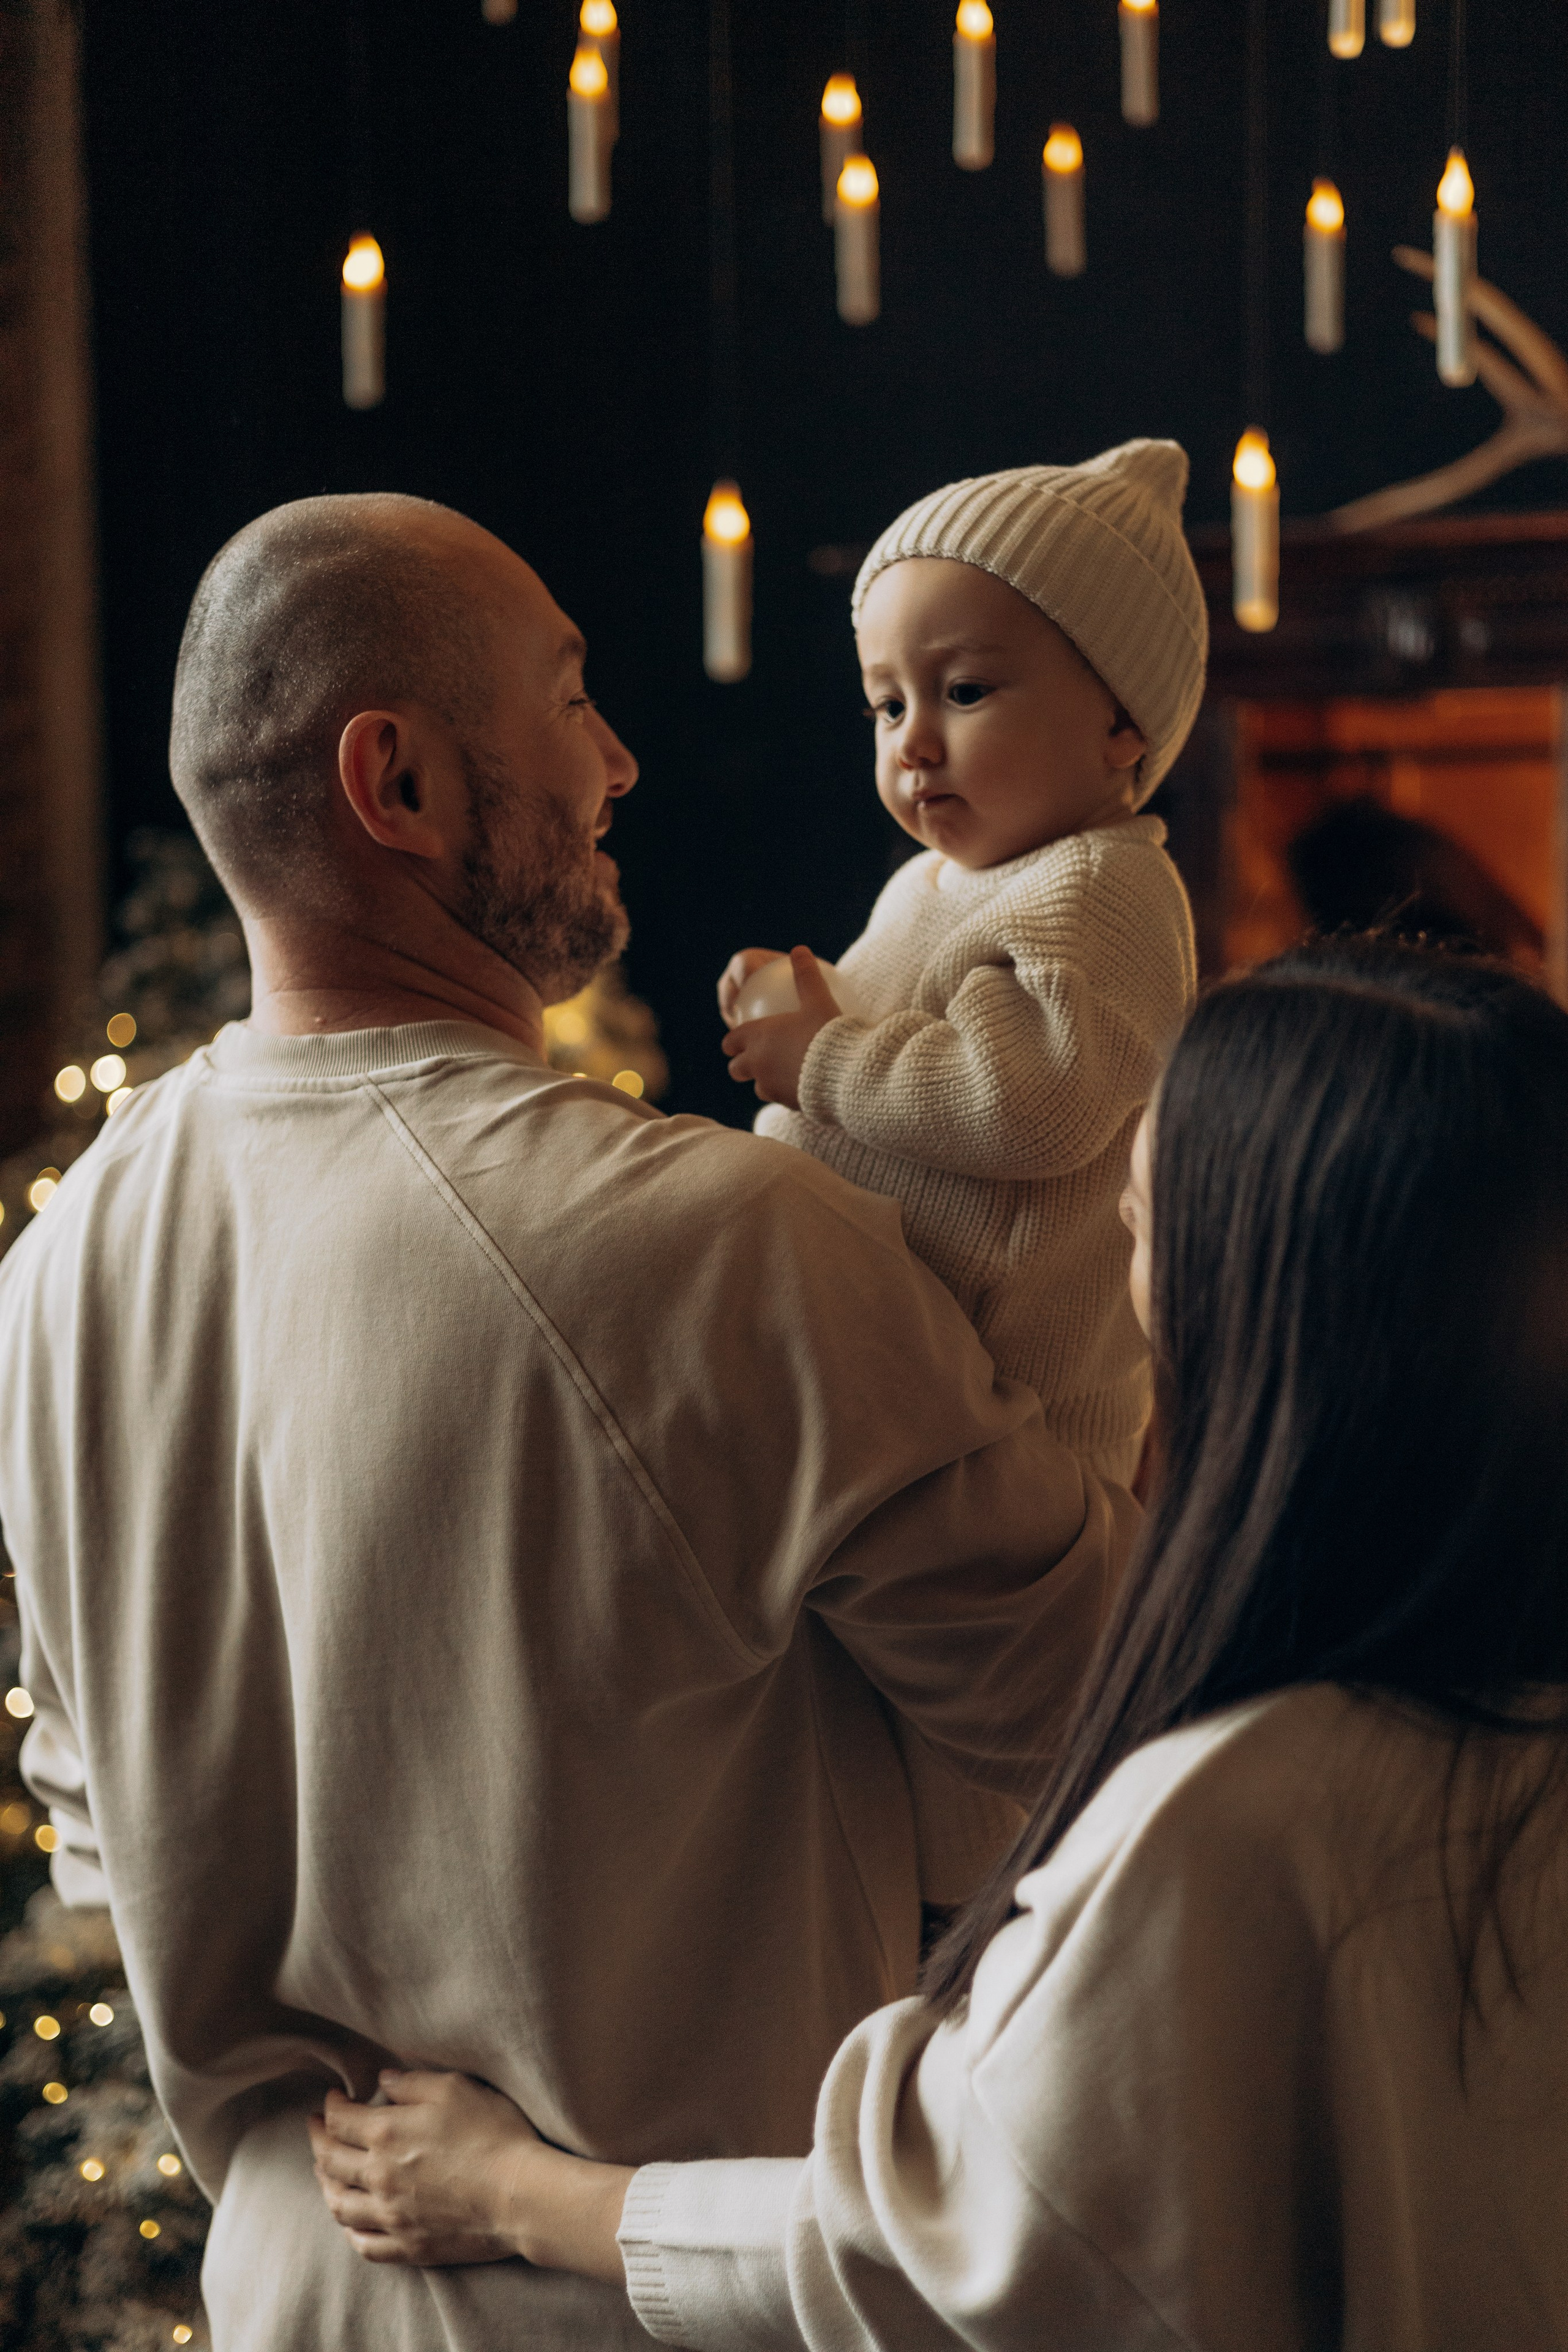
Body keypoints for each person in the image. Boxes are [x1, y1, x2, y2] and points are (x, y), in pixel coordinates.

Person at [0, 493, 1137, 2352]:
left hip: (288, 2308)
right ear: (403, 785)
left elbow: (93, 1836)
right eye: (567, 699)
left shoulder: (58, 1274)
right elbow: (1114, 1701)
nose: (617, 760)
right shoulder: (715, 1245)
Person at [314, 938, 1568, 2351]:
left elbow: (925, 2248)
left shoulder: (1228, 1819)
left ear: (1261, 1313)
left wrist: (514, 2192)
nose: (1107, 1260)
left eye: (1139, 1225)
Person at [718, 440, 1207, 1491]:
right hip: (888, 1388)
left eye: (966, 690)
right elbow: (897, 1029)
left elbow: (1029, 1103)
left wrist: (823, 1059)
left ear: (1122, 721)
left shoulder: (1100, 887)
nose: (913, 744)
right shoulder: (929, 884)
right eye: (887, 707)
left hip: (1006, 1437)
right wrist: (796, 1000)